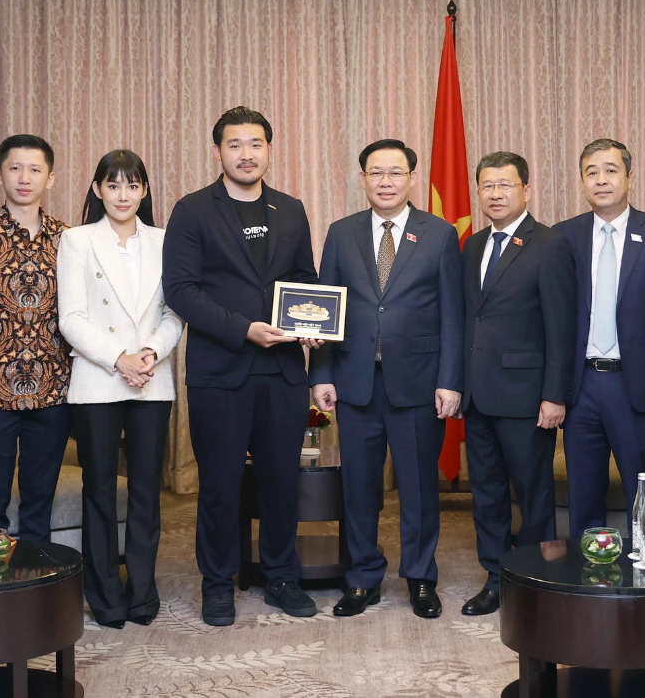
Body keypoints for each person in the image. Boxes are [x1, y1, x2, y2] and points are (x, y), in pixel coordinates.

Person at [162, 106, 320, 626]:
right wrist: (242, 328)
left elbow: (305, 280)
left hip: (282, 372)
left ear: (269, 149)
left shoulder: (291, 209)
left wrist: (311, 323)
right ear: (218, 152)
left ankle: (281, 575)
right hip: (220, 371)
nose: (246, 154)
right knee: (220, 484)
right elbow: (181, 291)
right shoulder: (192, 210)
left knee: (281, 481)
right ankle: (217, 582)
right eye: (235, 145)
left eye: (255, 144)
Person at [310, 138, 464, 620]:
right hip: (356, 382)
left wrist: (450, 380)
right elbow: (325, 308)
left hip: (419, 384)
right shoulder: (341, 233)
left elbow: (453, 315)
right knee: (359, 489)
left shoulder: (438, 234)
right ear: (362, 179)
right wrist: (321, 374)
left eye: (395, 173)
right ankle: (362, 578)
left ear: (412, 178)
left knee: (419, 488)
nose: (386, 182)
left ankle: (420, 577)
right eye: (376, 173)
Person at [59, 149, 183, 628]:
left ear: (145, 191)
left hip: (152, 380)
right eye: (113, 185)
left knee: (148, 492)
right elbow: (70, 317)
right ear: (97, 190)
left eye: (132, 186)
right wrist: (119, 359)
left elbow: (174, 313)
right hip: (98, 379)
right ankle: (105, 595)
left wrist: (149, 353)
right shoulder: (77, 241)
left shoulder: (164, 241)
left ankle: (143, 591)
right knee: (99, 490)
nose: (123, 195)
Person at [457, 151, 576, 617]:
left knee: (533, 493)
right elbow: (473, 317)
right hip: (478, 393)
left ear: (527, 190)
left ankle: (535, 578)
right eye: (487, 185)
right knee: (485, 494)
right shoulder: (471, 245)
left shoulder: (549, 244)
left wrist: (554, 394)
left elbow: (560, 326)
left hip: (528, 397)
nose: (496, 193)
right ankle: (495, 577)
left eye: (505, 185)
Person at [553, 138, 645, 536]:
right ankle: (586, 579)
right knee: (584, 492)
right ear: (582, 182)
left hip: (638, 385)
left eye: (611, 170)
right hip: (582, 385)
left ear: (629, 176)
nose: (601, 180)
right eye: (591, 173)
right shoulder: (564, 236)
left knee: (643, 490)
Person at [0, 135, 71, 548]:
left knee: (40, 499)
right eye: (15, 168)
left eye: (35, 169)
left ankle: (36, 588)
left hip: (55, 389)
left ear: (51, 178)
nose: (24, 178)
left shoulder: (68, 240)